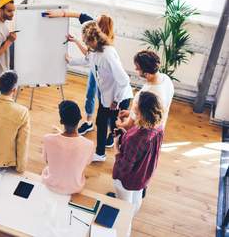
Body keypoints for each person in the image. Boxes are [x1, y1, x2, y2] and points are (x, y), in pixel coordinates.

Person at [45, 11, 119, 147]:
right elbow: (80, 16)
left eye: (97, 20)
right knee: (90, 94)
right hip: (94, 68)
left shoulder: (106, 46)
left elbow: (88, 56)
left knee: (106, 102)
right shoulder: (92, 26)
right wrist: (58, 14)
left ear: (100, 28)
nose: (93, 20)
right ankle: (89, 122)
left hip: (105, 76)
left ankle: (110, 132)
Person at [66, 21, 133, 162]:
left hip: (118, 97)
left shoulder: (107, 53)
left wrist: (116, 99)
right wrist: (70, 61)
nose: (82, 40)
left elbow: (124, 80)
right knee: (101, 122)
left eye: (83, 38)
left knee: (116, 128)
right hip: (107, 97)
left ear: (89, 38)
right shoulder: (93, 49)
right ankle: (100, 153)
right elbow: (86, 59)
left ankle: (122, 158)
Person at [112, 91, 164, 216]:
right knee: (136, 199)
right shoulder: (158, 126)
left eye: (136, 103)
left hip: (127, 180)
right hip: (143, 173)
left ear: (142, 110)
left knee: (124, 209)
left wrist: (116, 145)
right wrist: (125, 135)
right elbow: (141, 148)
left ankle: (125, 222)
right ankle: (132, 214)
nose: (134, 104)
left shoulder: (134, 138)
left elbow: (124, 167)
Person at [41, 100, 94, 194]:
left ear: (61, 122)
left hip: (51, 184)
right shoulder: (89, 145)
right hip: (75, 187)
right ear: (80, 117)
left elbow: (46, 160)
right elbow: (87, 162)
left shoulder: (48, 139)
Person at [116, 50, 174, 130]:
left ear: (146, 74)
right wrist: (131, 114)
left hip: (141, 132)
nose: (136, 69)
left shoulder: (145, 94)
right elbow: (150, 112)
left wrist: (118, 123)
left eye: (138, 68)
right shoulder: (166, 79)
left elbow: (129, 126)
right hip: (157, 130)